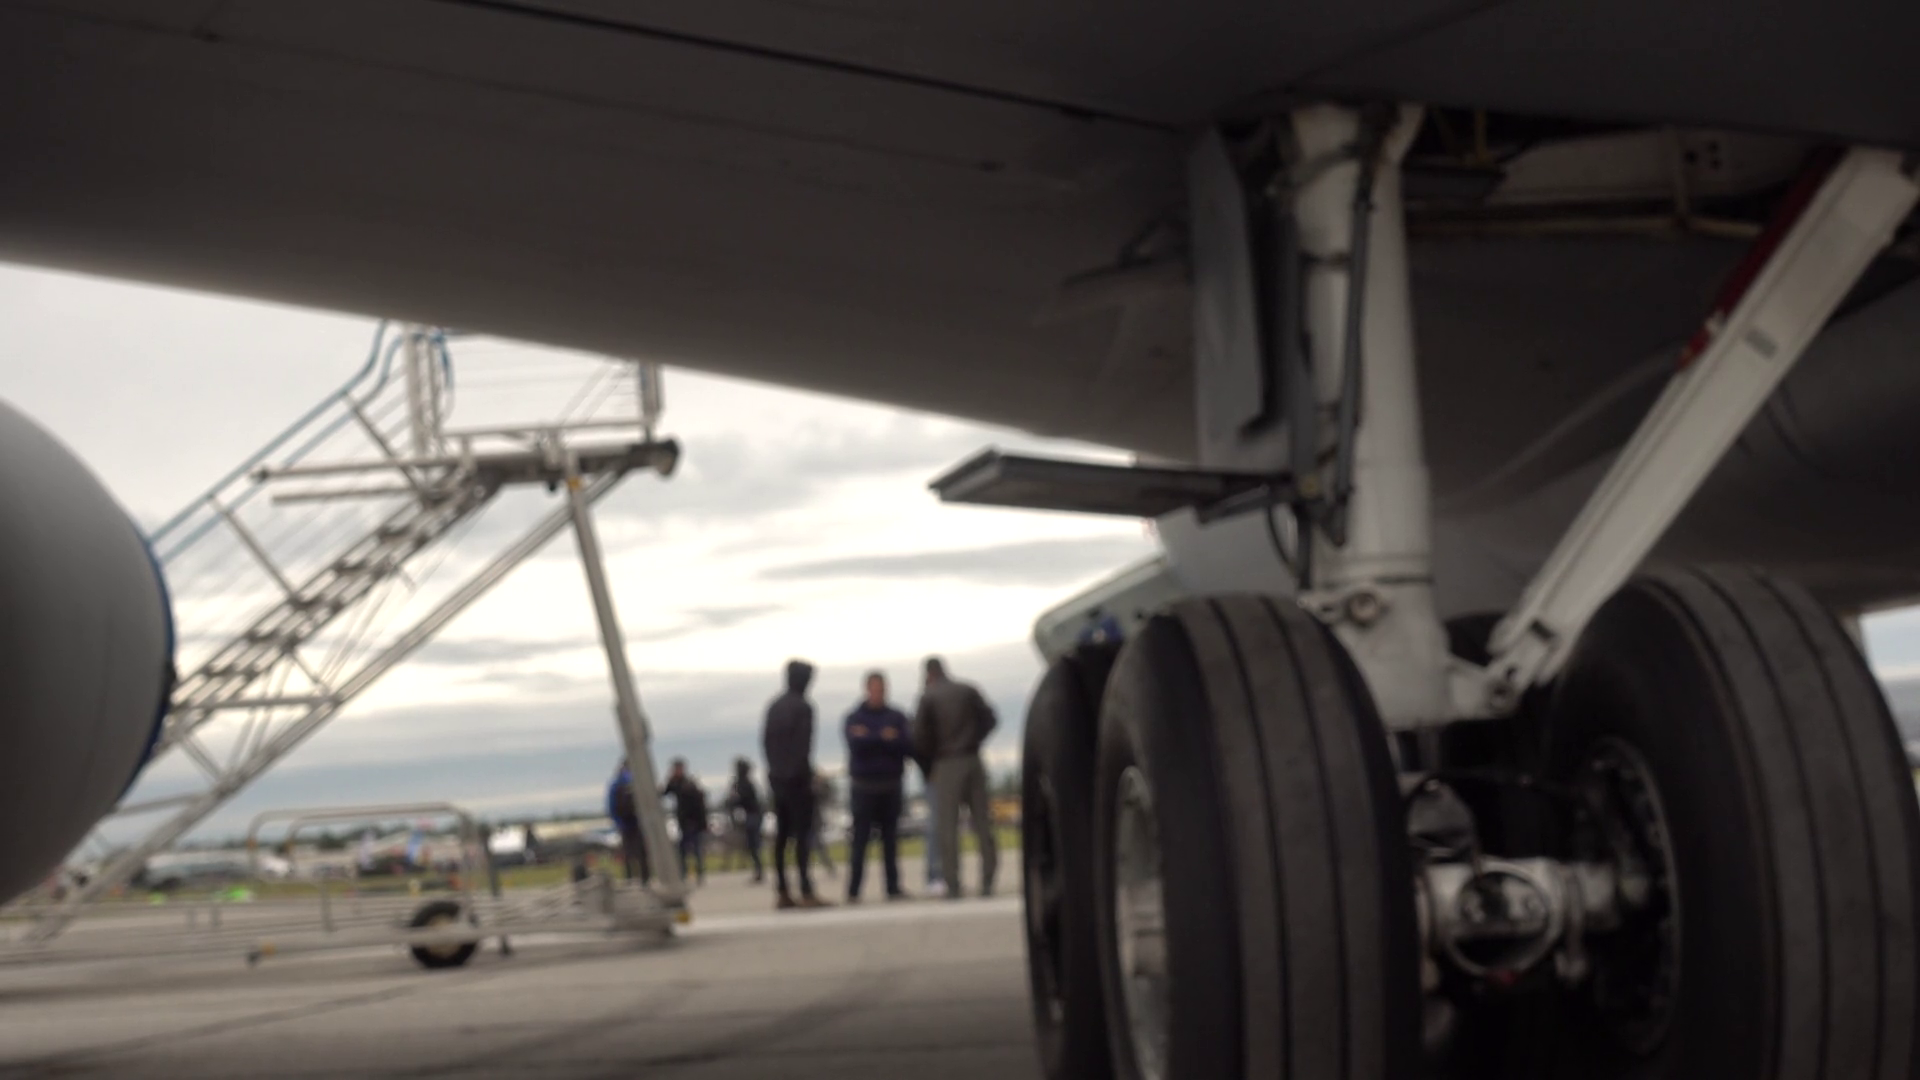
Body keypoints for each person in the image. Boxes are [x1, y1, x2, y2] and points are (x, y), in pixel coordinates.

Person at [912, 656, 1000, 898]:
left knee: (948, 826)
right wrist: (975, 739)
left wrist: (933, 755)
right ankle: (988, 877)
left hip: (946, 761)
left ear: (928, 674)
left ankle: (952, 882)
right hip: (972, 758)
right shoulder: (968, 690)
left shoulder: (928, 697)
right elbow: (991, 719)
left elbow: (919, 735)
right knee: (982, 822)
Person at [763, 659, 829, 909]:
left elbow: (766, 743)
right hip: (797, 780)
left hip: (777, 778)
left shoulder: (774, 707)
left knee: (782, 837)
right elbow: (804, 746)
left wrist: (775, 772)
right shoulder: (803, 707)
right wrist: (806, 776)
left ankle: (782, 890)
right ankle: (806, 889)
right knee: (802, 835)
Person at [844, 671, 914, 902]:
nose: (878, 693)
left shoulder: (896, 716)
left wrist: (870, 737)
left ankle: (893, 887)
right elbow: (856, 745)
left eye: (882, 689)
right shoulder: (854, 717)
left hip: (890, 785)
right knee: (860, 840)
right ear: (867, 689)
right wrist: (883, 737)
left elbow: (906, 745)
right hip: (864, 787)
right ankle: (853, 890)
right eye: (874, 689)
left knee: (891, 840)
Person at [661, 758, 708, 886]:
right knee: (683, 850)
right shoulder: (675, 783)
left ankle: (698, 873)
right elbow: (664, 793)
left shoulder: (688, 784)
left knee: (694, 848)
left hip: (692, 821)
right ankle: (684, 873)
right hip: (683, 821)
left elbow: (698, 804)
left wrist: (701, 822)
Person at [606, 756, 650, 885]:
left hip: (624, 823)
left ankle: (629, 878)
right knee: (642, 852)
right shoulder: (636, 779)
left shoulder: (616, 783)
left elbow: (611, 805)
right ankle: (645, 879)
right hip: (638, 822)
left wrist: (617, 822)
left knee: (628, 852)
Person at [725, 757, 765, 883]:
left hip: (751, 816)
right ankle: (758, 869)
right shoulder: (747, 783)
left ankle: (758, 870)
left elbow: (739, 800)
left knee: (752, 845)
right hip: (752, 815)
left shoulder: (742, 785)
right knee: (752, 845)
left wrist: (733, 802)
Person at [807, 769, 839, 879]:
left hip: (813, 820)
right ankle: (827, 867)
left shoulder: (814, 790)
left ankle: (828, 866)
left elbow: (826, 795)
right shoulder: (807, 789)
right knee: (814, 846)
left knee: (817, 845)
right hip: (808, 820)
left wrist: (821, 783)